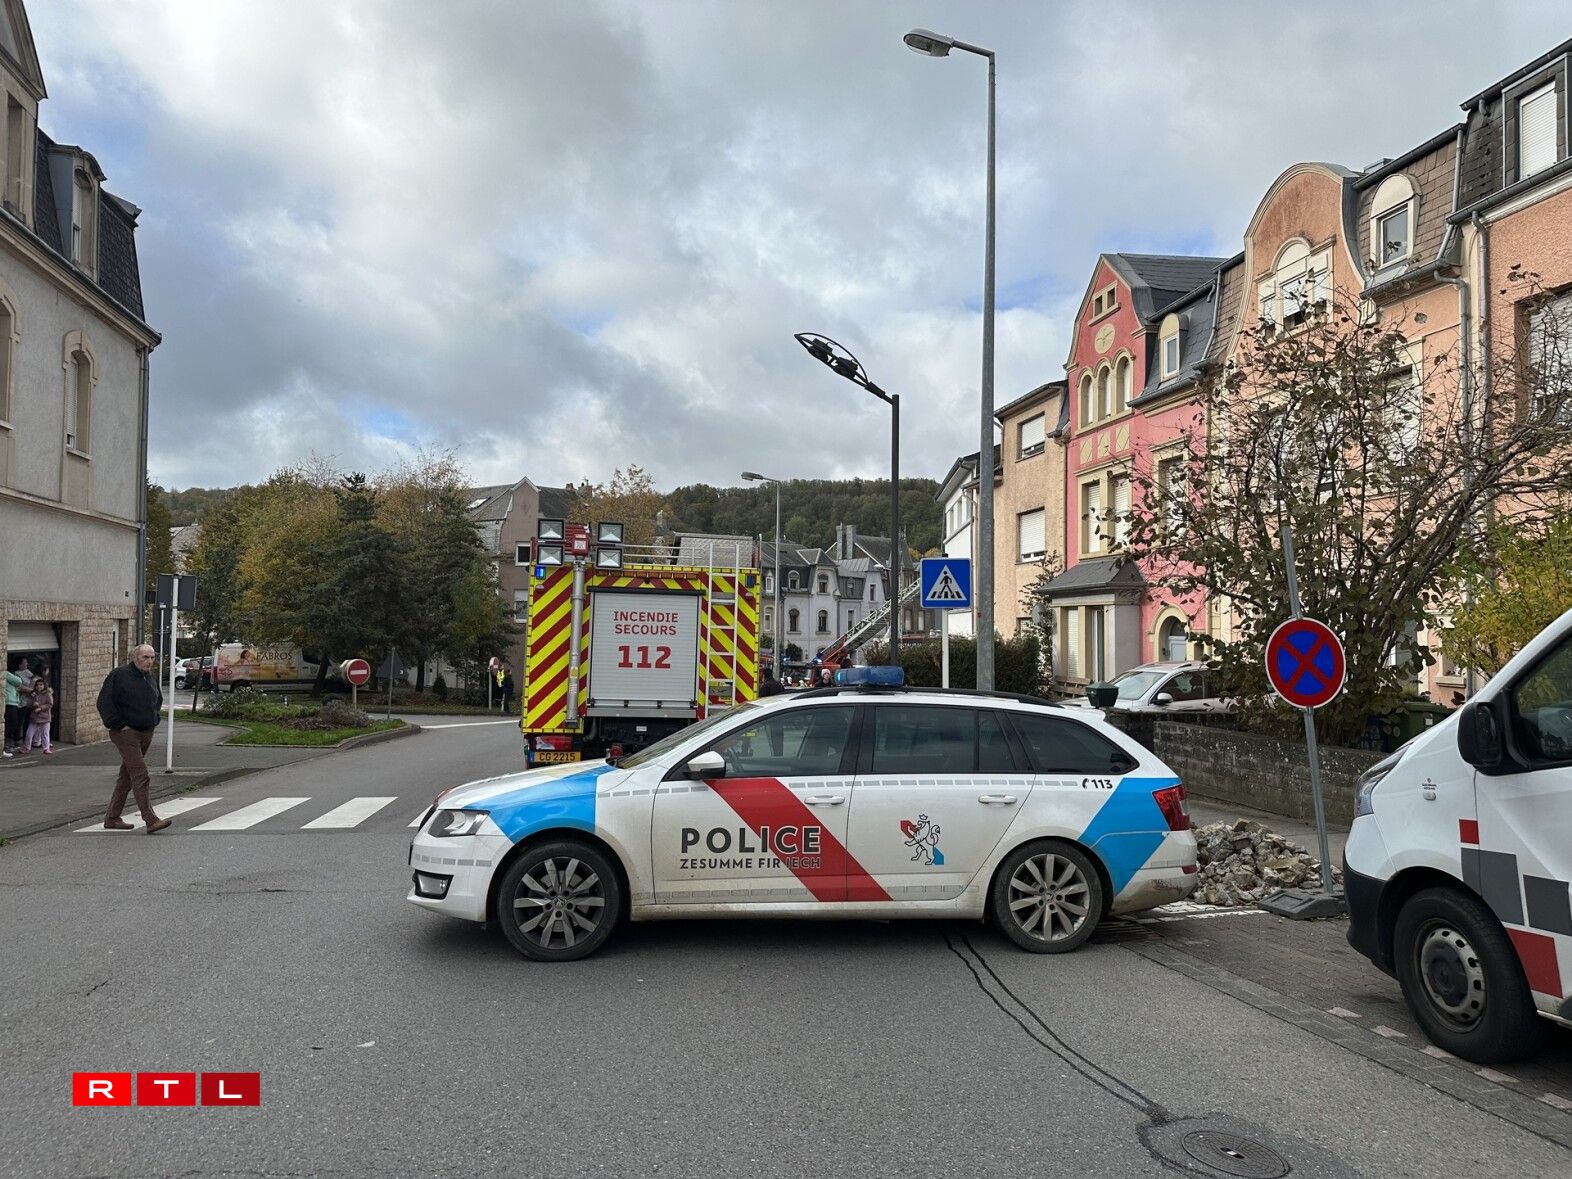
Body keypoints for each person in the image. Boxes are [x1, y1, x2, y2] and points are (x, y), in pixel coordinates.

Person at [95, 644, 171, 833]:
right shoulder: (119, 675)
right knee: (140, 773)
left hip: (146, 730)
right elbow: (104, 702)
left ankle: (112, 818)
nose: (149, 661)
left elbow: (157, 699)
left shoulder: (150, 678)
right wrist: (118, 724)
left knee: (127, 776)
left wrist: (154, 718)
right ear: (134, 657)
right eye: (145, 657)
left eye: (152, 657)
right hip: (125, 732)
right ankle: (150, 820)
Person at [3, 655, 29, 758]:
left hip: (13, 701)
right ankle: (5, 744)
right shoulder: (6, 673)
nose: (27, 664)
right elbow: (19, 682)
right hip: (9, 702)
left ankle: (6, 744)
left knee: (13, 723)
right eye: (25, 662)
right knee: (12, 723)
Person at [24, 674, 53, 755]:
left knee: (45, 734)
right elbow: (29, 704)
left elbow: (50, 704)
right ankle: (27, 747)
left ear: (44, 685)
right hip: (35, 717)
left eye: (41, 685)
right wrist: (33, 703)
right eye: (37, 685)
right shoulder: (34, 694)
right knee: (29, 733)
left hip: (45, 717)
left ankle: (46, 748)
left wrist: (40, 708)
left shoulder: (47, 694)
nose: (39, 686)